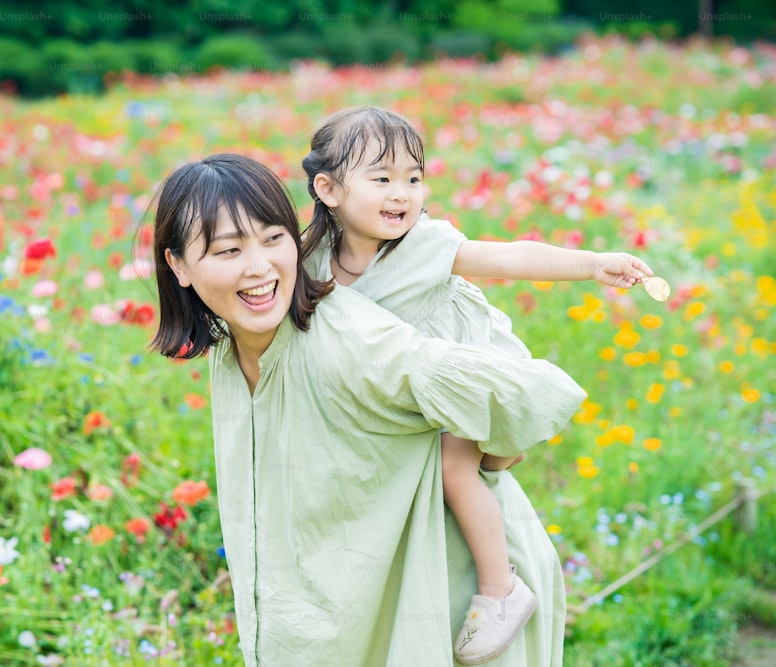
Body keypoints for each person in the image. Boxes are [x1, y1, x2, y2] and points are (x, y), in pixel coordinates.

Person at [149, 152, 586, 665]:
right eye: (229, 250)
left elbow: (529, 393)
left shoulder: (349, 341)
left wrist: (490, 455)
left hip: (458, 609)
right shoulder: (229, 345)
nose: (260, 267)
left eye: (273, 238)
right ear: (178, 264)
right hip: (362, 616)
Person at [300, 106, 654, 664]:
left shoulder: (426, 243)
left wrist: (593, 263)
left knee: (454, 470)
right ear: (328, 188)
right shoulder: (313, 259)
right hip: (397, 388)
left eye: (414, 178)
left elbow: (510, 255)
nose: (403, 194)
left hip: (457, 371)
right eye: (382, 178)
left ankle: (500, 589)